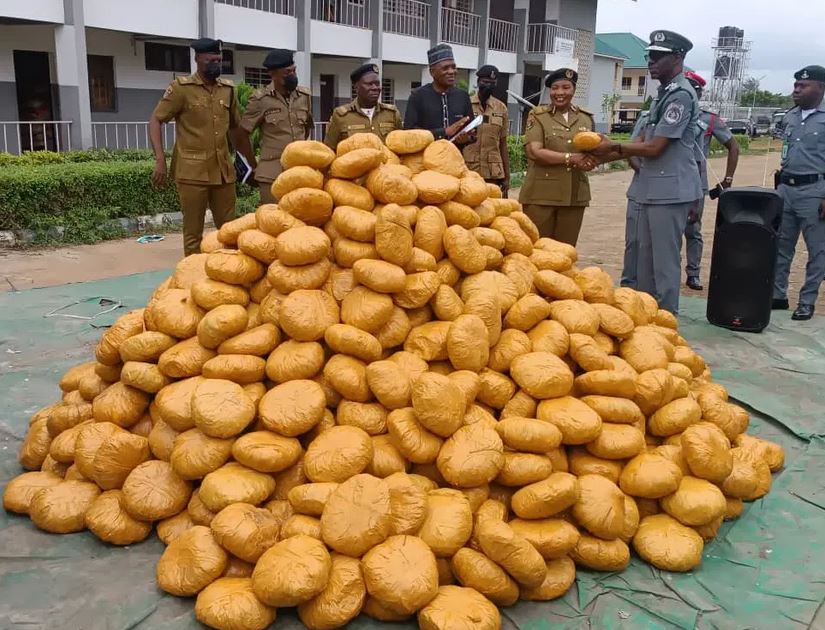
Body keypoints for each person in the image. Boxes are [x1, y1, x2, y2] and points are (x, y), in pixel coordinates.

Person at [588, 30, 703, 315]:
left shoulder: (681, 96)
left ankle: (666, 322)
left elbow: (655, 148)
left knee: (663, 264)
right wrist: (607, 151)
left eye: (658, 57)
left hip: (670, 190)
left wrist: (613, 146)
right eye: (649, 56)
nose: (651, 62)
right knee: (642, 260)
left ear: (677, 58)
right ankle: (644, 318)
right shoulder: (663, 95)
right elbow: (640, 143)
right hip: (653, 188)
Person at [149, 38, 241, 257]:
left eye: (219, 60)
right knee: (193, 233)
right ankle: (191, 278)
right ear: (197, 59)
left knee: (230, 231)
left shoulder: (228, 90)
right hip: (192, 172)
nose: (215, 64)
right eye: (210, 60)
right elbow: (156, 120)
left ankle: (231, 273)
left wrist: (245, 161)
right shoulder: (181, 89)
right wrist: (160, 159)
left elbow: (235, 128)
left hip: (223, 172)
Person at [518, 68, 597, 245]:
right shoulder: (538, 116)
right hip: (541, 195)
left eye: (565, 87)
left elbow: (592, 151)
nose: (560, 93)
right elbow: (534, 152)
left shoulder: (586, 118)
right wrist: (571, 158)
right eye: (555, 88)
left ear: (574, 90)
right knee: (538, 249)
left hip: (574, 195)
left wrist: (591, 161)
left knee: (566, 251)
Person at [771, 64, 825, 321]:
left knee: (818, 250)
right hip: (786, 189)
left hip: (815, 191)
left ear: (821, 88)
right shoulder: (790, 116)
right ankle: (777, 296)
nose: (796, 90)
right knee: (781, 247)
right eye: (795, 85)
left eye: (803, 86)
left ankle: (807, 301)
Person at [683, 71, 740, 291]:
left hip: (696, 183)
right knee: (668, 230)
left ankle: (693, 273)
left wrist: (727, 179)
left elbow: (733, 146)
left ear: (697, 93)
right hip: (668, 180)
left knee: (692, 229)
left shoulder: (709, 119)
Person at [235, 49, 313, 204]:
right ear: (273, 74)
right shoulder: (260, 99)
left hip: (300, 171)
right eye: (287, 73)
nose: (292, 75)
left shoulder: (304, 96)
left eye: (294, 70)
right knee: (272, 221)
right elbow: (242, 134)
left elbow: (308, 127)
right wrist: (252, 166)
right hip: (272, 174)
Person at [404, 43, 475, 145]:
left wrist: (467, 138)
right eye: (445, 68)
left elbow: (473, 134)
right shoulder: (418, 96)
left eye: (453, 67)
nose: (451, 71)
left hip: (455, 158)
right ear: (432, 72)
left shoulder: (463, 96)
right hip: (426, 159)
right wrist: (444, 132)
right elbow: (409, 132)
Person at [323, 63, 402, 151]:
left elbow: (401, 146)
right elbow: (329, 150)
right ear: (356, 88)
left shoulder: (392, 113)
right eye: (369, 84)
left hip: (387, 164)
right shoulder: (341, 115)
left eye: (377, 84)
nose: (375, 88)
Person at [463, 65, 511, 195]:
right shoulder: (465, 104)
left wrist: (507, 176)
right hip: (468, 170)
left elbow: (503, 144)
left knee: (492, 210)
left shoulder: (501, 108)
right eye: (485, 82)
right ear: (478, 82)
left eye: (492, 83)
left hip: (492, 173)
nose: (488, 86)